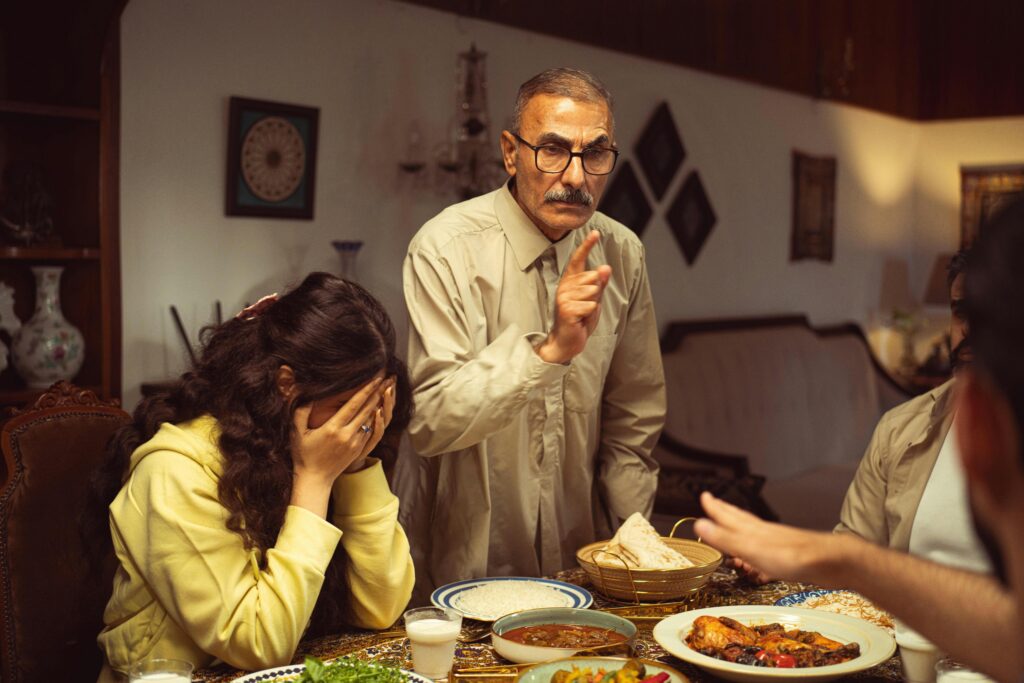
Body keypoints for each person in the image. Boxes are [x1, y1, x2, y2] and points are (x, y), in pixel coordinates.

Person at [695, 198, 1024, 682]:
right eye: (961, 311)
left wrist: (834, 558)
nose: (971, 331)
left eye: (1000, 324)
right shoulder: (902, 428)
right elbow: (852, 554)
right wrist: (806, 562)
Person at [397, 67, 666, 590]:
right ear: (510, 152)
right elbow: (429, 419)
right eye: (551, 149)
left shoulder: (623, 252)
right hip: (465, 561)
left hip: (585, 560)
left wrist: (637, 552)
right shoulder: (445, 248)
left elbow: (632, 425)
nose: (574, 176)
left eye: (595, 154)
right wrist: (547, 354)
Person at [90, 273, 416, 680]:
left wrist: (355, 468)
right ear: (286, 385)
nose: (358, 427)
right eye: (347, 407)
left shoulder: (318, 448)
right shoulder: (174, 471)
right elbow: (259, 644)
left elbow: (381, 609)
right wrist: (313, 482)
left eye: (372, 408)